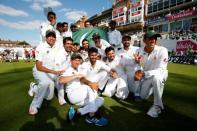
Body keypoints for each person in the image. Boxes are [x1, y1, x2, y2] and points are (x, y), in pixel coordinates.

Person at [59, 53, 108, 126]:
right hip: (73, 96)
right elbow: (61, 81)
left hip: (81, 96)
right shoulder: (67, 70)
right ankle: (91, 116)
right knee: (88, 87)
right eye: (75, 60)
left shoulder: (79, 68)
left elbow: (84, 78)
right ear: (71, 61)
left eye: (79, 60)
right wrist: (75, 76)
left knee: (100, 100)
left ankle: (78, 112)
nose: (77, 62)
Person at [28, 30, 64, 115]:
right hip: (40, 70)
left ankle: (34, 87)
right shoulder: (40, 47)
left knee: (49, 97)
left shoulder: (56, 47)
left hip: (50, 73)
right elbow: (39, 66)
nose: (51, 38)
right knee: (44, 83)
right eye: (49, 36)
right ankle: (34, 105)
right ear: (46, 38)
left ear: (55, 38)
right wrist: (55, 72)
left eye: (53, 36)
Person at [134, 31, 168, 118]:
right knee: (143, 96)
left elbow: (161, 69)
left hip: (159, 74)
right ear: (144, 40)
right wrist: (137, 63)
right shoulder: (139, 50)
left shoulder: (163, 50)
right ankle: (154, 88)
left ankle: (157, 106)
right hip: (146, 77)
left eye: (155, 38)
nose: (153, 40)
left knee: (156, 78)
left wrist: (144, 73)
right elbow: (138, 66)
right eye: (150, 38)